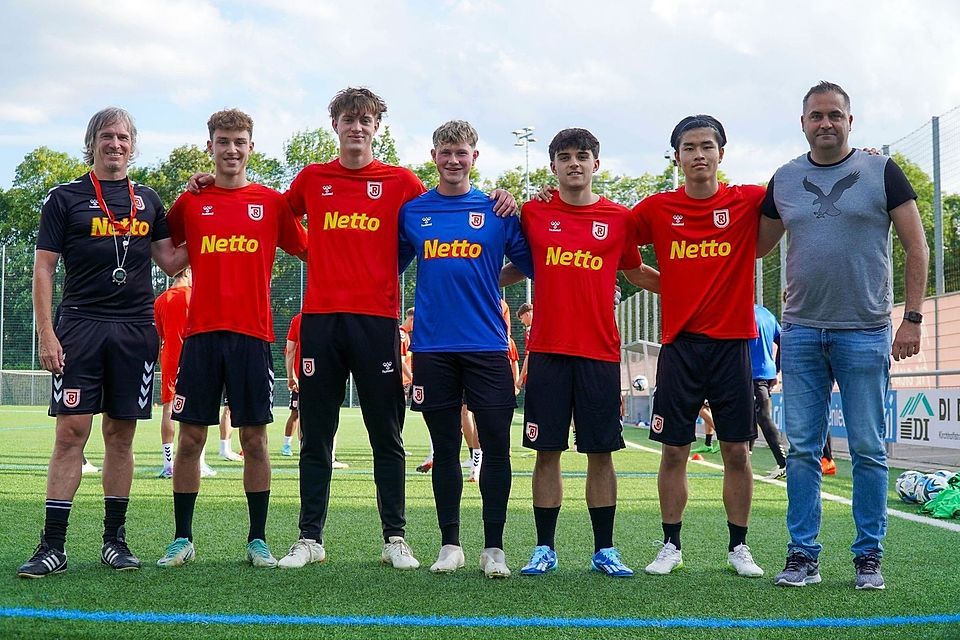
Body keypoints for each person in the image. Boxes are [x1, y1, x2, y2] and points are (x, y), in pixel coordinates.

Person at [236, 88, 517, 570]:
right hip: (321, 322)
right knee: (316, 434)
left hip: (378, 321)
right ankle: (310, 538)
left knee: (385, 435)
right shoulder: (311, 178)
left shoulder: (403, 184)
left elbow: (448, 212)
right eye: (349, 119)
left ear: (377, 127)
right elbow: (271, 219)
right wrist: (221, 187)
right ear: (336, 125)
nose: (357, 127)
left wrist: (501, 197)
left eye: (366, 119)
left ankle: (395, 538)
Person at [758, 81, 928, 590]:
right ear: (803, 122)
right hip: (802, 332)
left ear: (850, 122)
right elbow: (755, 245)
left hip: (866, 332)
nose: (825, 123)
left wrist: (912, 318)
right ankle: (802, 555)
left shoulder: (881, 171)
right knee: (804, 450)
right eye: (816, 115)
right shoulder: (785, 179)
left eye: (835, 115)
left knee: (870, 450)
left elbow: (916, 247)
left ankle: (868, 557)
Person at [19, 107, 186, 578]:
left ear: (133, 144)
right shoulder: (65, 198)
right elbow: (44, 268)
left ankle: (115, 540)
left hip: (134, 330)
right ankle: (52, 545)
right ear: (91, 141)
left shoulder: (148, 200)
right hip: (80, 326)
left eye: (124, 137)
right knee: (71, 432)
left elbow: (172, 262)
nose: (116, 144)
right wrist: (46, 332)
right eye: (107, 137)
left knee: (121, 434)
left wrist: (211, 210)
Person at [502, 128, 659, 578]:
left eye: (583, 156)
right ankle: (544, 548)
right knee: (545, 452)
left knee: (601, 453)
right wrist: (472, 284)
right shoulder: (533, 215)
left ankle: (604, 550)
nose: (575, 163)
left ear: (596, 164)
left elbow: (638, 273)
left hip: (599, 355)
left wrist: (697, 289)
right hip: (549, 351)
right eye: (565, 157)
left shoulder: (619, 219)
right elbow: (513, 262)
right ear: (552, 166)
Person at [156, 108, 307, 569]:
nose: (231, 149)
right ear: (211, 147)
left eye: (240, 141)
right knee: (189, 440)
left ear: (251, 148)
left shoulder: (271, 203)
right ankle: (183, 538)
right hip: (199, 336)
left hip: (253, 336)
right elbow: (166, 257)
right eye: (223, 141)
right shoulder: (190, 203)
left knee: (256, 439)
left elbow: (308, 249)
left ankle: (257, 540)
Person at [633, 115, 766, 579]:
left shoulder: (747, 200)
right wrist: (673, 287)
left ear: (721, 154)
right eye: (688, 147)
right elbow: (626, 258)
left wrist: (865, 157)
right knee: (673, 451)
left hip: (733, 346)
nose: (698, 155)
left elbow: (804, 182)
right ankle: (670, 544)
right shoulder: (655, 209)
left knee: (736, 452)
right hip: (680, 347)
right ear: (677, 157)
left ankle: (739, 547)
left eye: (707, 146)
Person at [399, 120, 533, 577]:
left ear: (475, 156)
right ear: (433, 156)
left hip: (488, 347)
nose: (453, 160)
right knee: (444, 445)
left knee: (496, 447)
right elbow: (390, 262)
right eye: (445, 152)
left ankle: (494, 548)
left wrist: (488, 277)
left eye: (462, 152)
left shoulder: (498, 210)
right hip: (433, 348)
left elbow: (529, 263)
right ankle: (450, 544)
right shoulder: (414, 212)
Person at [750, 303, 788, 480]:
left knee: (762, 417)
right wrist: (775, 369)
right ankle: (743, 461)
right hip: (764, 373)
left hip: (750, 373)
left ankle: (784, 463)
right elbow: (782, 341)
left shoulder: (739, 313)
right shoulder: (766, 313)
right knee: (750, 415)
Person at [282, 312, 302, 458]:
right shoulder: (327, 317)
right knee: (298, 414)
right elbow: (290, 350)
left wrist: (291, 376)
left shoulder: (297, 319)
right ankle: (288, 445)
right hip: (313, 377)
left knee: (297, 413)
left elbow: (290, 350)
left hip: (300, 377)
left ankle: (289, 445)